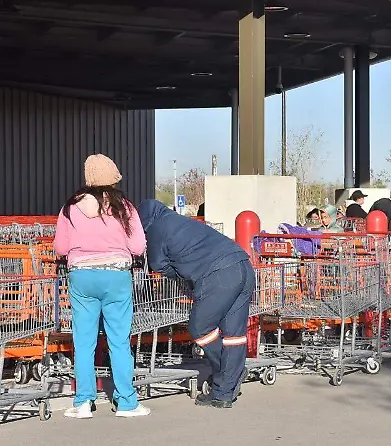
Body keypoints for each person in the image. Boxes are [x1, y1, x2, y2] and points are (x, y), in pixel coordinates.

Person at [54, 154, 150, 419]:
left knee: (83, 342)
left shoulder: (70, 208)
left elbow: (61, 248)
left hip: (82, 276)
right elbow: (138, 246)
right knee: (118, 341)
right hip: (116, 276)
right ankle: (127, 402)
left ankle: (83, 402)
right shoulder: (124, 207)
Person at [138, 200, 254, 409]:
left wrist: (181, 276)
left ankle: (229, 373)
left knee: (200, 328)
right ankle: (224, 393)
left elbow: (157, 264)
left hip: (219, 274)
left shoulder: (155, 227)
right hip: (243, 265)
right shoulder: (180, 220)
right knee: (234, 335)